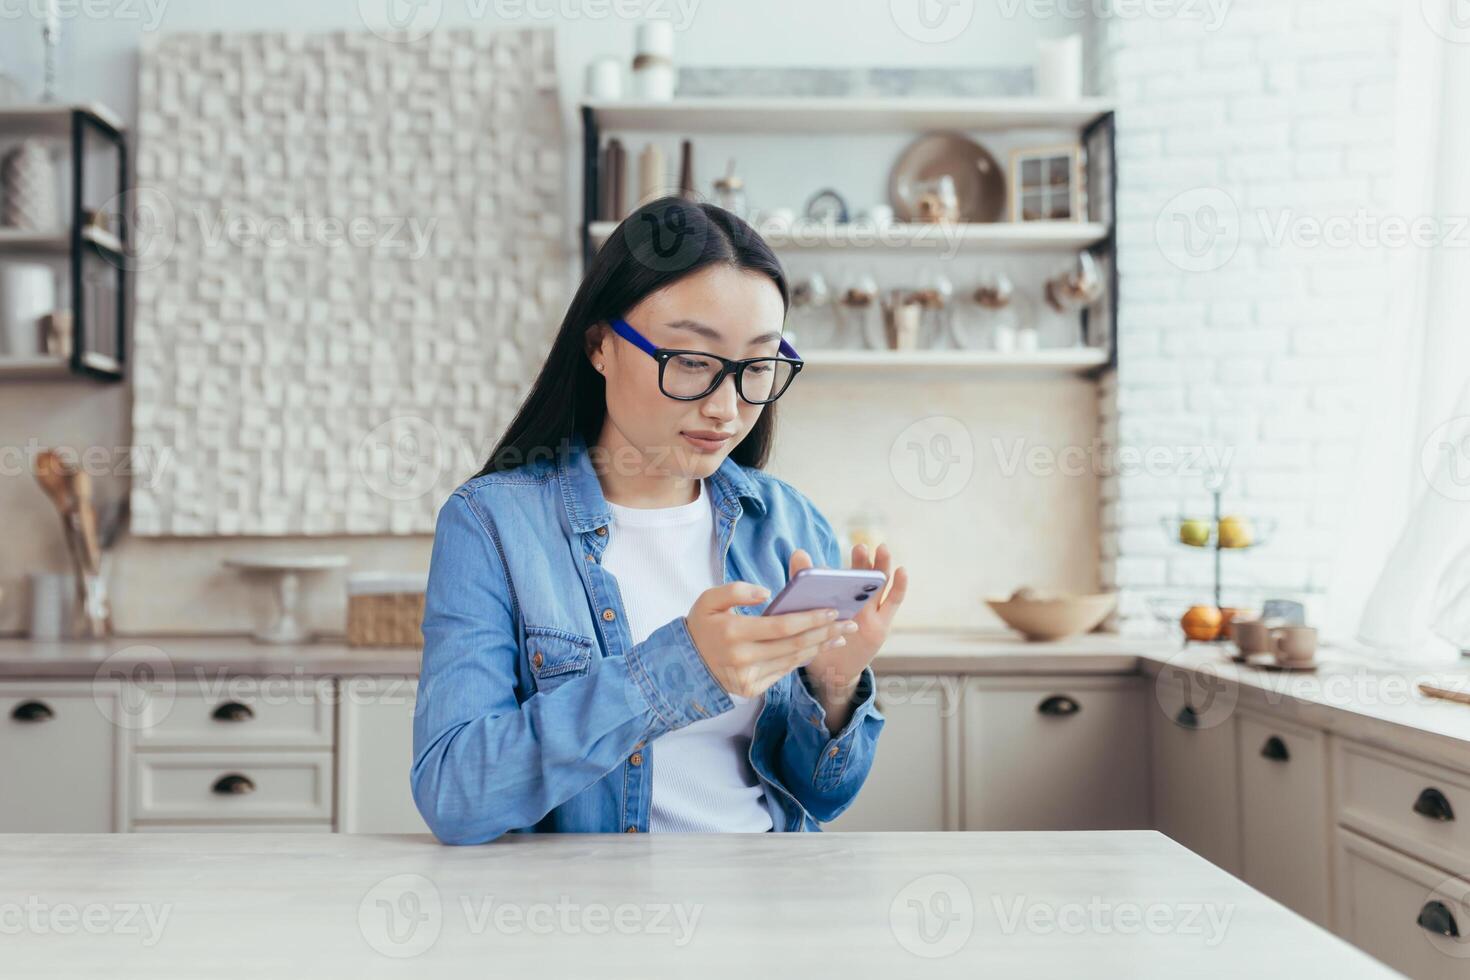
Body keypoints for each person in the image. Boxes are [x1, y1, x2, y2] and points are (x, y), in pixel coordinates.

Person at [411, 197, 909, 844]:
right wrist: (677, 670)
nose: (726, 409)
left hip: (770, 912)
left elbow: (821, 796)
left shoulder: (788, 524)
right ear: (600, 346)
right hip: (594, 922)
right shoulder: (493, 526)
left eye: (756, 368)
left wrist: (834, 689)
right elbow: (455, 794)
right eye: (693, 363)